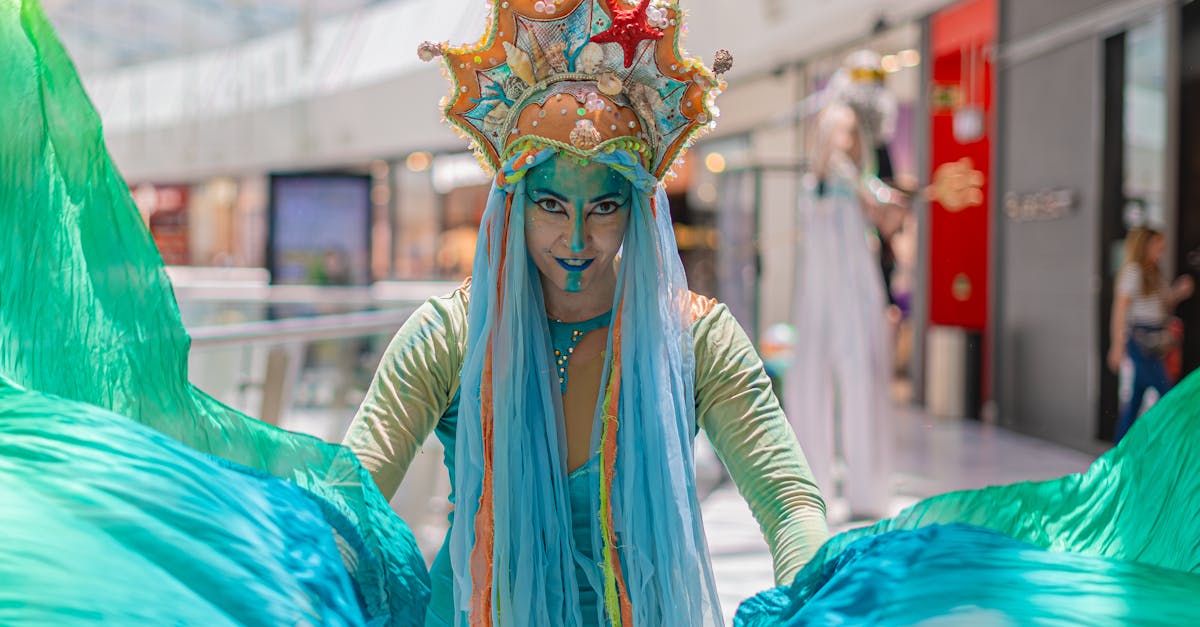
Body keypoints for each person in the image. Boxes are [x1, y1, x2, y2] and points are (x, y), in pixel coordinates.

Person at [342, 1, 828, 625]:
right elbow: (351, 493)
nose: (575, 241)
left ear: (639, 208)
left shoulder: (698, 338)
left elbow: (789, 501)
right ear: (510, 204)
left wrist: (817, 600)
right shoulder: (450, 336)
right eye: (549, 205)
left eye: (603, 208)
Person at [785, 50, 897, 519]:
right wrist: (875, 195)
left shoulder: (834, 118)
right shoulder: (845, 119)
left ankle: (825, 485)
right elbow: (837, 166)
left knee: (827, 359)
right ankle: (857, 488)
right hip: (842, 247)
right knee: (854, 356)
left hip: (833, 243)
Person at [1108, 226, 1195, 441]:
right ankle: (1178, 442)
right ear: (1145, 245)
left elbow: (1161, 305)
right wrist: (1117, 346)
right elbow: (1120, 310)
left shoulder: (1154, 272)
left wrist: (1177, 292)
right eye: (1158, 245)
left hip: (1157, 339)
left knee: (1134, 401)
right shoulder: (1133, 271)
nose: (1161, 250)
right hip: (1141, 340)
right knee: (1169, 395)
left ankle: (1120, 451)